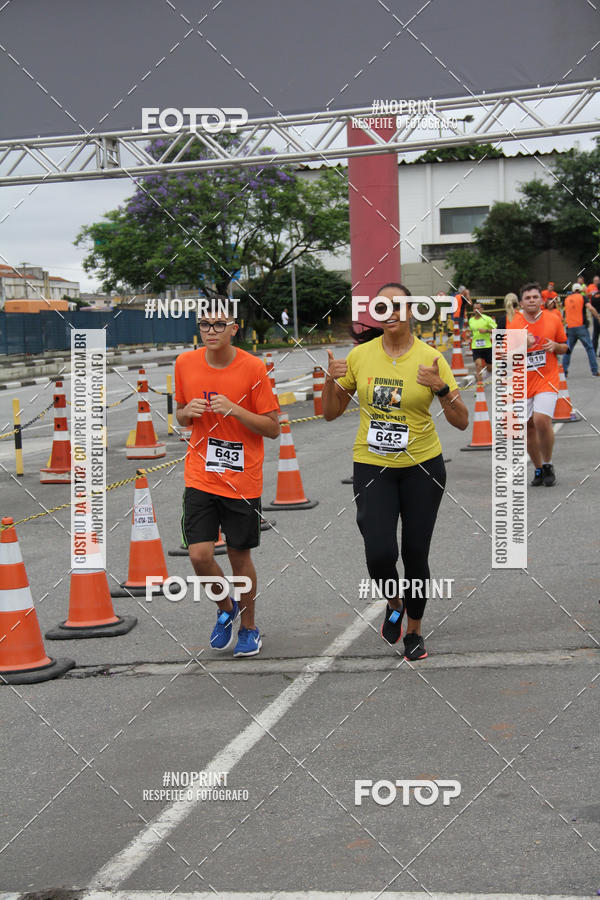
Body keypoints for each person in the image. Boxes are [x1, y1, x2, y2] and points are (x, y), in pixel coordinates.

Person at [322, 283, 468, 661]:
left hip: (423, 466)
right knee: (379, 553)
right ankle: (394, 601)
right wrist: (329, 380)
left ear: (411, 311)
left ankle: (415, 632)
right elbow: (330, 412)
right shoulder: (359, 356)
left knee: (415, 552)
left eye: (397, 305)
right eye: (382, 306)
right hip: (373, 465)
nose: (390, 311)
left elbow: (461, 421)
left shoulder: (431, 357)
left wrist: (440, 388)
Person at [175, 304, 280, 657]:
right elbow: (180, 412)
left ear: (234, 328)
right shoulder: (185, 364)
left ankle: (249, 628)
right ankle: (226, 609)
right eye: (204, 323)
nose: (211, 330)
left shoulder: (252, 368)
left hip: (242, 479)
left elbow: (272, 427)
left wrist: (235, 409)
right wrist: (184, 414)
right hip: (200, 474)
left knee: (239, 556)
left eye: (219, 323)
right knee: (199, 555)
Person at [508, 282, 568, 486]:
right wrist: (521, 345)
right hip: (522, 382)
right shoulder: (514, 323)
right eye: (527, 298)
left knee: (541, 420)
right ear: (521, 303)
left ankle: (548, 463)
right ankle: (538, 468)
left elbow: (565, 346)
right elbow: (506, 357)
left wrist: (556, 346)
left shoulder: (553, 319)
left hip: (547, 379)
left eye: (535, 297)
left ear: (541, 300)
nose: (532, 300)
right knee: (528, 428)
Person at [562, 283, 599, 377]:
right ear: (580, 290)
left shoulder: (566, 299)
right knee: (590, 348)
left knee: (568, 350)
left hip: (570, 328)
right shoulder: (582, 297)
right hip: (581, 327)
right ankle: (594, 371)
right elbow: (590, 308)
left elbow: (564, 314)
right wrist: (598, 317)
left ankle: (564, 371)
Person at [468, 302, 495, 382]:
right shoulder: (471, 320)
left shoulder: (487, 319)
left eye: (478, 308)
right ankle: (480, 386)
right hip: (476, 347)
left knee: (490, 368)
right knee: (478, 365)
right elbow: (472, 332)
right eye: (474, 308)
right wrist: (469, 334)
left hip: (487, 346)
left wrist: (486, 330)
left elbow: (497, 330)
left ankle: (488, 373)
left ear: (482, 309)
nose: (476, 310)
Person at [589, 290, 600, 355]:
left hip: (595, 316)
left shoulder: (594, 296)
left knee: (595, 334)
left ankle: (594, 351)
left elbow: (591, 305)